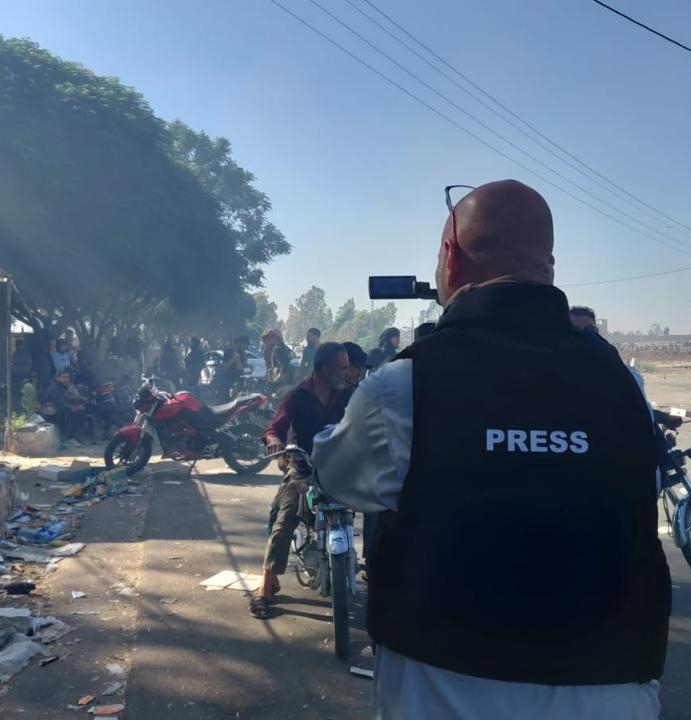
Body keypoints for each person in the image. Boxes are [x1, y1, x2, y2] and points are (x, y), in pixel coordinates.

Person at [313, 180, 669, 718]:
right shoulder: (625, 383)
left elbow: (337, 477)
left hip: (440, 687)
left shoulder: (403, 385)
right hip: (611, 686)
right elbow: (645, 486)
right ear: (549, 266)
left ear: (450, 257)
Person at [250, 342, 351, 620]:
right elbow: (274, 428)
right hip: (303, 469)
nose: (347, 372)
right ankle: (265, 586)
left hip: (339, 469)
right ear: (323, 368)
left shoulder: (349, 395)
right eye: (342, 367)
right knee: (284, 520)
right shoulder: (296, 396)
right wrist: (274, 441)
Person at [39, 369, 90, 448]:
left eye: (67, 377)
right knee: (76, 413)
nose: (66, 379)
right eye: (63, 377)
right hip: (50, 415)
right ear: (57, 378)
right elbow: (61, 405)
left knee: (80, 410)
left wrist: (80, 401)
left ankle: (70, 436)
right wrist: (75, 407)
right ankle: (67, 439)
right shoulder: (55, 388)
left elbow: (68, 399)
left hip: (57, 411)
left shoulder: (61, 387)